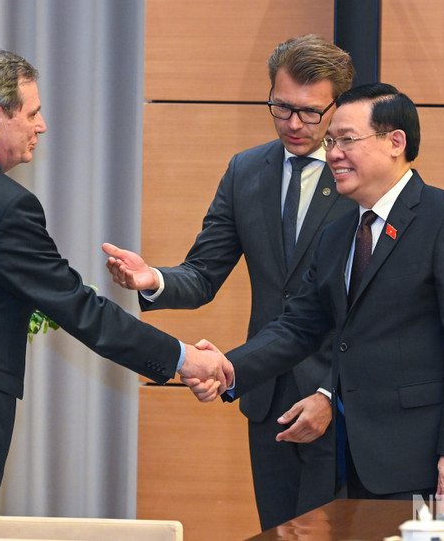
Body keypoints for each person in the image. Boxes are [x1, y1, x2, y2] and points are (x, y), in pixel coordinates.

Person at [0, 48, 232, 515]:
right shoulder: (4, 204)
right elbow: (77, 307)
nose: (42, 126)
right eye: (33, 113)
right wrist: (181, 358)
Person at [190, 82, 444, 501]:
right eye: (331, 141)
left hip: (422, 462)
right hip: (344, 460)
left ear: (395, 142)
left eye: (347, 140)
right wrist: (228, 367)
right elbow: (297, 327)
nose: (333, 153)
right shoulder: (338, 235)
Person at [103, 34, 355, 529]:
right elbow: (203, 273)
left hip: (340, 398)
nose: (294, 124)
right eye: (280, 108)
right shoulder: (247, 171)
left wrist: (332, 394)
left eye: (310, 112)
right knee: (278, 530)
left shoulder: (360, 177)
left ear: (338, 107)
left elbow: (379, 306)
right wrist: (151, 277)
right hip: (266, 392)